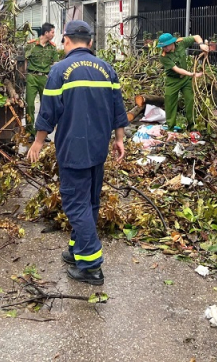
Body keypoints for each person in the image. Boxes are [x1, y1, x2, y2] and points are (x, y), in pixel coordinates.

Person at [27, 20, 128, 285]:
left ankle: (91, 266)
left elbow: (48, 110)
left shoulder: (60, 70)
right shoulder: (107, 69)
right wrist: (119, 139)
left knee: (75, 202)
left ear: (66, 41)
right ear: (91, 43)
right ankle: (78, 249)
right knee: (90, 201)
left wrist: (38, 142)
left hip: (73, 147)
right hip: (98, 148)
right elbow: (119, 108)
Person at [157, 33, 209, 130]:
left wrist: (201, 44)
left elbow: (196, 37)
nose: (165, 49)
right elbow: (177, 69)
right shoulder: (164, 57)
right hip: (173, 81)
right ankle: (171, 127)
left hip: (185, 80)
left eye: (166, 46)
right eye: (163, 47)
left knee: (190, 100)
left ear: (172, 42)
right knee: (170, 102)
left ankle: (192, 126)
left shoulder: (180, 43)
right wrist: (192, 74)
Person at [24, 22, 61, 137]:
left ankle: (43, 133)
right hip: (32, 77)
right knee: (29, 104)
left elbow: (55, 64)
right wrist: (24, 76)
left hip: (45, 78)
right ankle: (30, 132)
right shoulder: (31, 45)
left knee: (46, 106)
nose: (54, 34)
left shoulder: (52, 47)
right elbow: (25, 60)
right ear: (46, 33)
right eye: (52, 32)